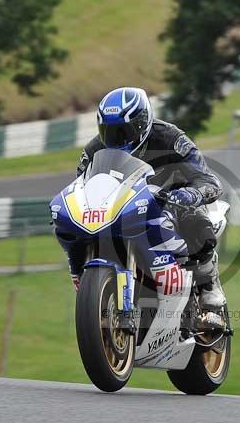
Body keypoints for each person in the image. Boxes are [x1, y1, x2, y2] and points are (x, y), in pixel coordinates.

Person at [61, 87, 226, 310]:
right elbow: (81, 187)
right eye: (108, 131)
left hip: (170, 203)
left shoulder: (171, 139)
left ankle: (209, 284)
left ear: (142, 122)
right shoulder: (94, 150)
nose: (115, 138)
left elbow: (208, 181)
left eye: (122, 131)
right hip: (123, 211)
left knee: (195, 220)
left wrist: (190, 193)